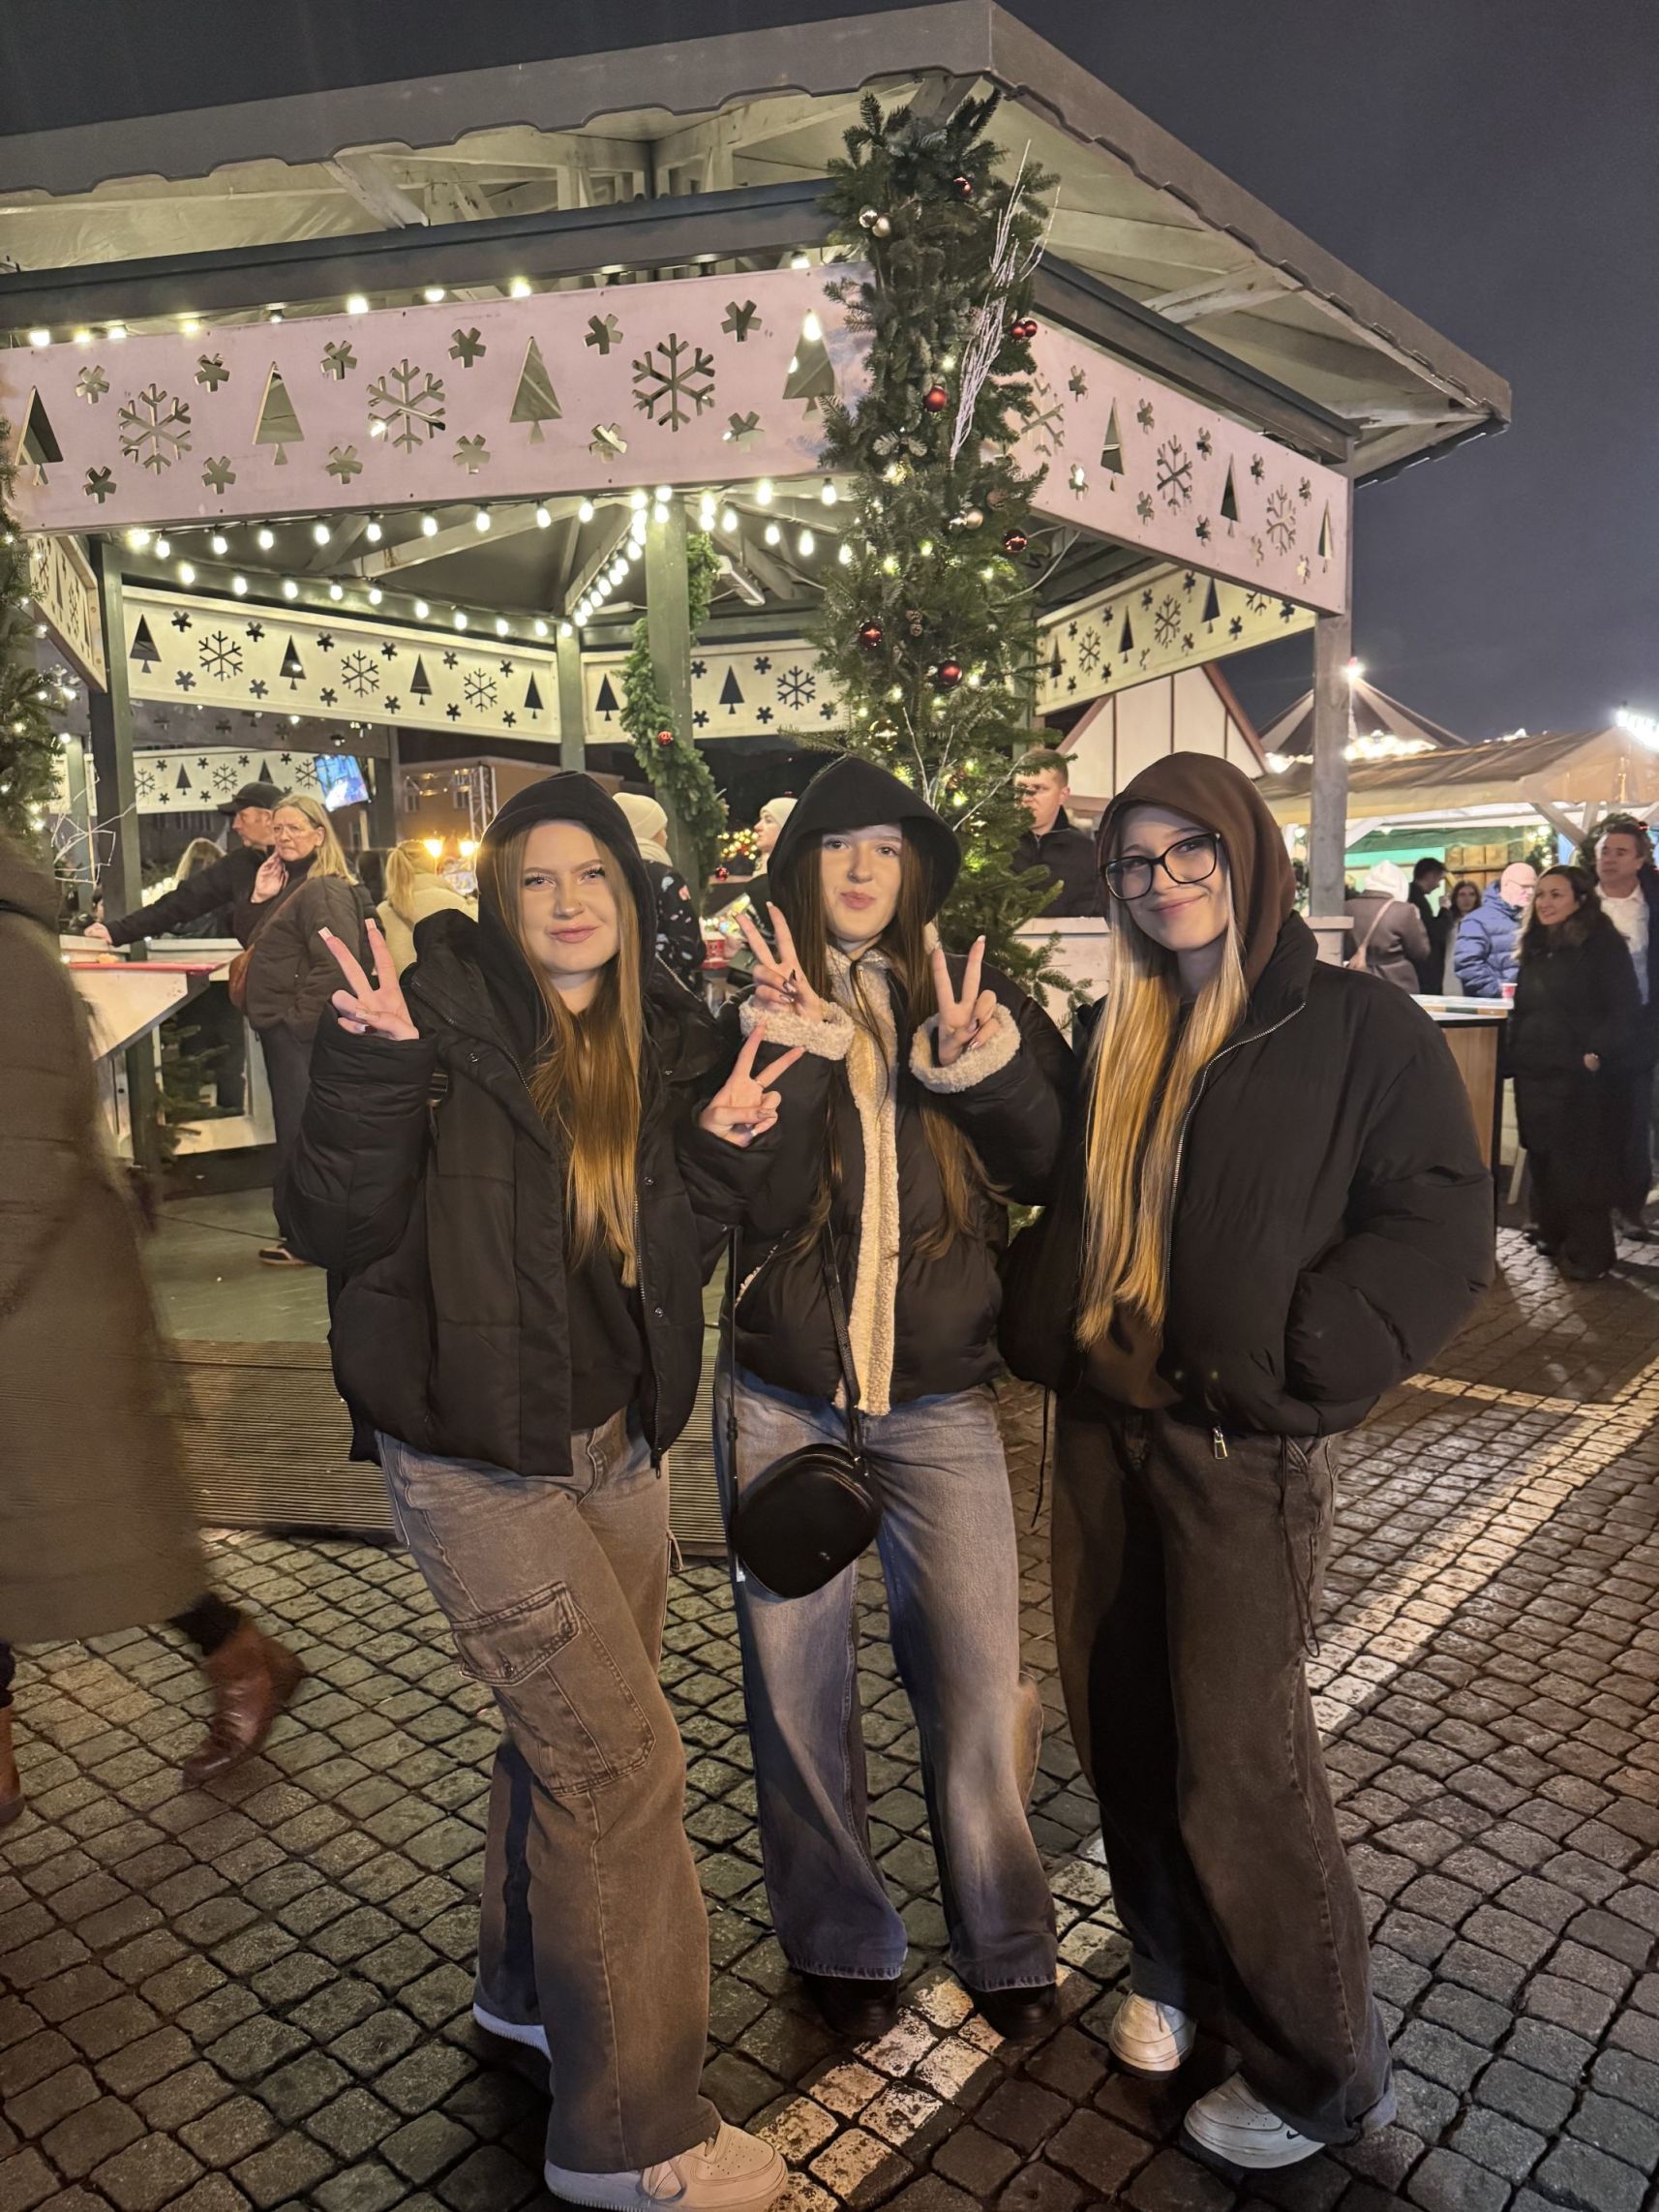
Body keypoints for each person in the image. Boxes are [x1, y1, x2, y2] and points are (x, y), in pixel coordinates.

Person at [280, 773, 795, 2210]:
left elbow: (661, 1251)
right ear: (501, 901)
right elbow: (324, 1220)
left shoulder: (659, 1039)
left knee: (560, 1748)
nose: (569, 902)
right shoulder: (430, 1020)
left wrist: (713, 1152)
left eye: (593, 875)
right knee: (619, 1766)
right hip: (470, 1456)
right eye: (536, 879)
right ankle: (629, 2134)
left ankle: (523, 1994)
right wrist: (371, 1068)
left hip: (614, 1443)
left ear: (630, 895)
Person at [999, 754, 1492, 2169]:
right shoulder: (1120, 1024)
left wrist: (1306, 1347)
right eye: (1134, 862)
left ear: (1246, 856)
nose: (1161, 882)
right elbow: (1062, 1183)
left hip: (1236, 1448)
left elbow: (1439, 1216)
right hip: (1101, 1431)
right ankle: (1172, 1964)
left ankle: (1321, 2070)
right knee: (1121, 1728)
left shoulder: (1353, 1022)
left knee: (1240, 1758)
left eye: (1188, 852)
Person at [714, 755, 1070, 2047]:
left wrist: (984, 1067)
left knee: (977, 1682)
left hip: (939, 1398)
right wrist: (795, 1047)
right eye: (834, 845)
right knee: (795, 1695)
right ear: (798, 864)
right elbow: (743, 1200)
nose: (860, 868)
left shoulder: (969, 993)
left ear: (914, 865)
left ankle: (1005, 1937)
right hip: (783, 1395)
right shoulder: (747, 1002)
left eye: (884, 845)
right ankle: (837, 1938)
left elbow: (1048, 1161)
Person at [0, 834, 303, 1826]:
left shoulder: (8, 954)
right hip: (33, 1305)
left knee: (108, 1532)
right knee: (70, 1535)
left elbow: (21, 1161)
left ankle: (240, 1654)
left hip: (40, 1309)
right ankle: (239, 1653)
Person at [242, 794, 370, 1267]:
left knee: (302, 1134)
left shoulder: (323, 890)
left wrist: (295, 1023)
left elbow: (337, 963)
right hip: (293, 1034)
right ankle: (301, 1234)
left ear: (319, 835)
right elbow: (253, 942)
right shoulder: (296, 887)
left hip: (302, 1037)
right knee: (299, 1132)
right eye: (277, 828)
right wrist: (260, 898)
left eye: (294, 828)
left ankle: (306, 1238)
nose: (283, 836)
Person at [1509, 866, 1640, 1282]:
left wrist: (1595, 1053)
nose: (1545, 903)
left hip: (1576, 1073)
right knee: (1544, 1156)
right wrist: (1513, 1054)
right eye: (1540, 895)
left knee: (1580, 1164)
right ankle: (1553, 1234)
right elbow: (1523, 1008)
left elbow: (1624, 1008)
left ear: (1580, 899)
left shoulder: (1601, 945)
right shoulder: (1536, 945)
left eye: (1556, 895)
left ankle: (1590, 1252)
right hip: (1535, 1070)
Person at [83, 780, 283, 948]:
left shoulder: (299, 863)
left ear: (267, 818)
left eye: (242, 816)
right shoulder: (238, 865)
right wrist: (118, 931)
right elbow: (180, 902)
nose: (236, 825)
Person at [1590, 818, 1659, 1237]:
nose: (1610, 859)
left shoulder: (1652, 903)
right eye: (1605, 851)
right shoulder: (1581, 901)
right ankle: (1587, 1207)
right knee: (1589, 1119)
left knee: (1634, 1122)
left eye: (1620, 852)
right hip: (1588, 1028)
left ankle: (1630, 1207)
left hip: (1641, 1028)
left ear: (1639, 860)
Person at [615, 791, 705, 989]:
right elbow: (690, 951)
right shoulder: (665, 877)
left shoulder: (604, 873)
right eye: (662, 829)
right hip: (664, 993)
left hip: (617, 989)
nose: (666, 836)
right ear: (647, 830)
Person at [1013, 748, 1104, 918]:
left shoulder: (1086, 852)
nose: (1026, 797)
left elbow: (1093, 917)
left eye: (1038, 788)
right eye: (1021, 787)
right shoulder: (994, 846)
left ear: (1062, 795)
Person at [376, 836, 477, 976]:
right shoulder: (456, 903)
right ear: (431, 865)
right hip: (447, 987)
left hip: (398, 989)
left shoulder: (381, 912)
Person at [1344, 859, 1431, 991]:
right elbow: (1420, 952)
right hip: (1396, 983)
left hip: (1356, 980)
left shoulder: (1346, 907)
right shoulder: (1404, 910)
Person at [1453, 862, 1536, 997]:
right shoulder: (1477, 921)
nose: (1530, 892)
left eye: (1533, 887)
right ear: (1506, 885)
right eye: (1524, 886)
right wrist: (1500, 992)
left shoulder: (1536, 918)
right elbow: (1467, 964)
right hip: (1495, 1005)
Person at [1407, 857, 1447, 991]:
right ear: (1430, 876)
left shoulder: (1410, 895)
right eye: (1439, 879)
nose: (1438, 885)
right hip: (1422, 971)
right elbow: (1433, 932)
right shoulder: (1417, 899)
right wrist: (1445, 910)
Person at [1440, 878, 1484, 991]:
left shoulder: (1482, 922)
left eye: (1471, 894)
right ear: (1455, 898)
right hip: (1451, 973)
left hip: (1476, 974)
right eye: (1462, 895)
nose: (1467, 899)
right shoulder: (1448, 921)